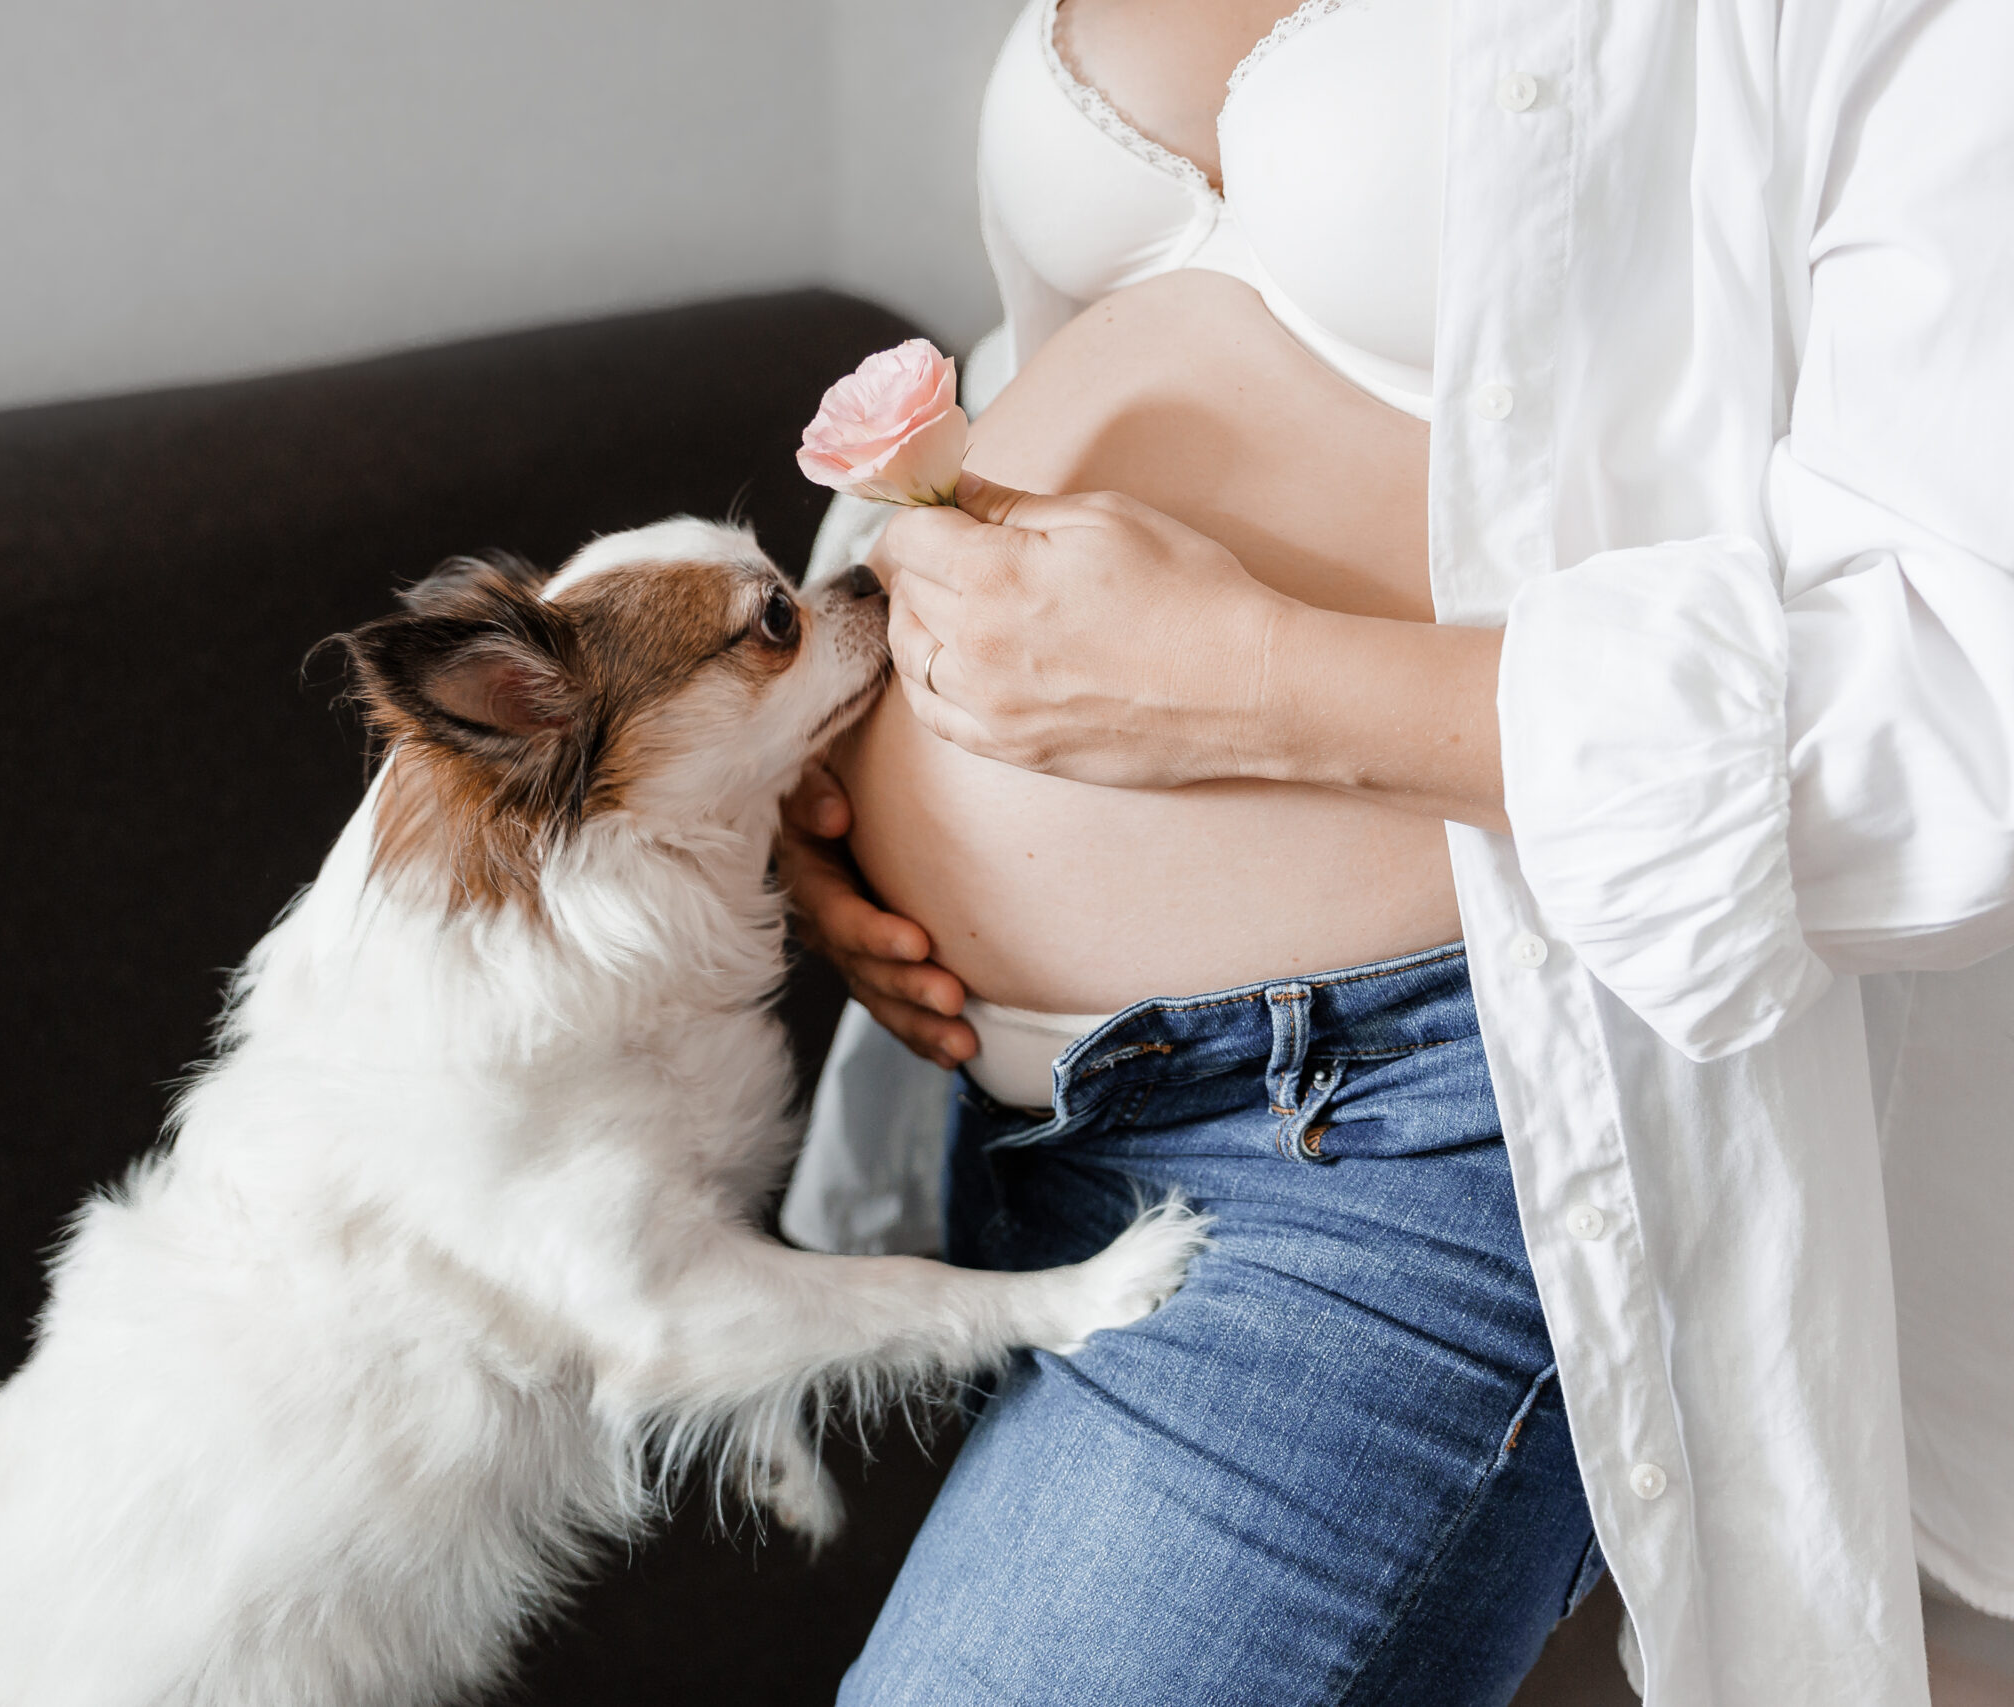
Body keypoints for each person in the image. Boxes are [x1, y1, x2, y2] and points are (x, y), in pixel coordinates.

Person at [773, 0, 2014, 1701]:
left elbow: (1963, 703)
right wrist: (824, 727)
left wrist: (1251, 686)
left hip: (1403, 1131)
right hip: (995, 1112)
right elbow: (1070, 350)